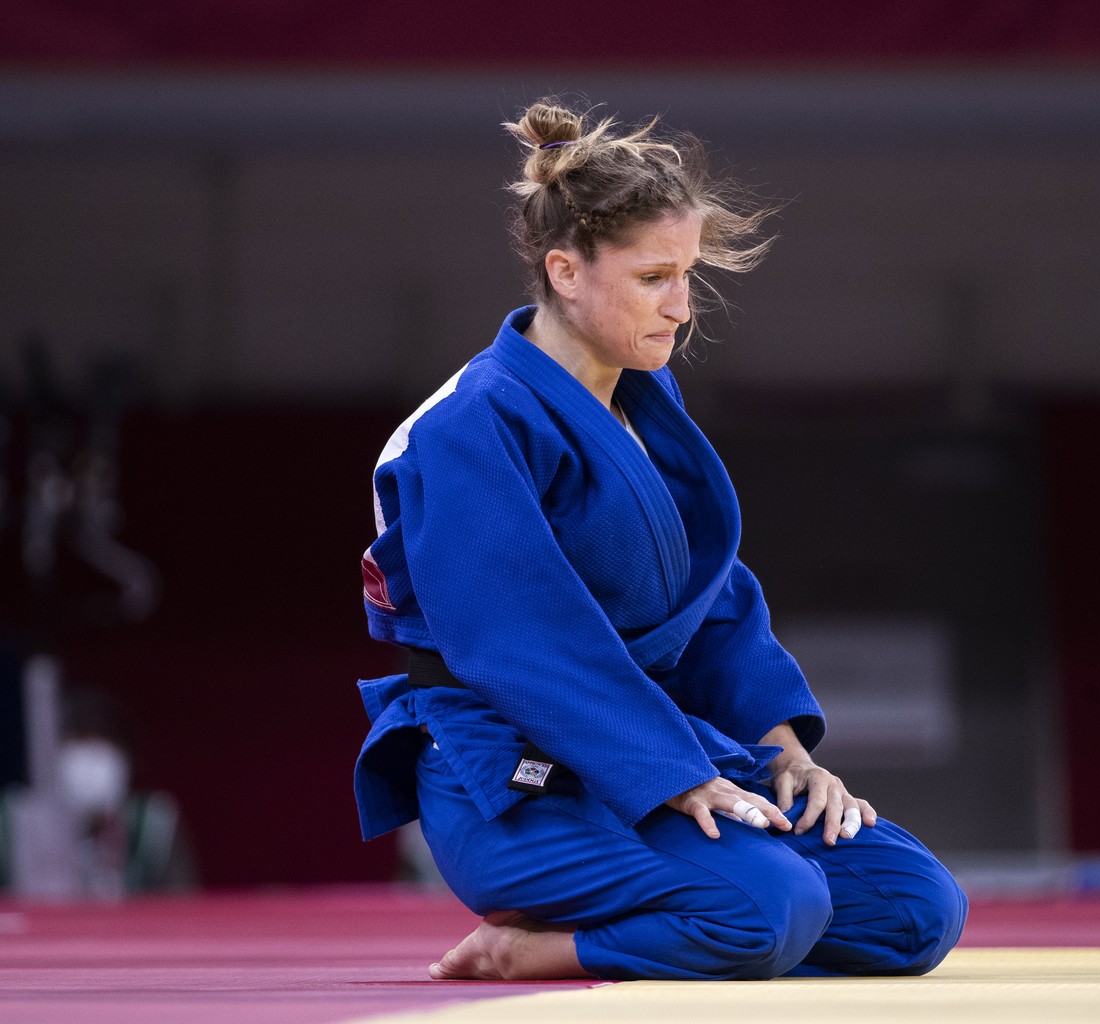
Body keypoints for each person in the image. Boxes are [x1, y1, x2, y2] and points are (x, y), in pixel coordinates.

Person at [352, 100, 967, 982]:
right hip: (512, 774)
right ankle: (543, 946)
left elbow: (712, 599)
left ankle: (692, 907)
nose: (681, 307)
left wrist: (785, 754)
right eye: (653, 279)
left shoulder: (643, 399)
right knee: (772, 906)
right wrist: (673, 775)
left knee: (916, 908)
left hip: (650, 742)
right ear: (566, 271)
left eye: (688, 277)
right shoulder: (471, 425)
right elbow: (520, 642)